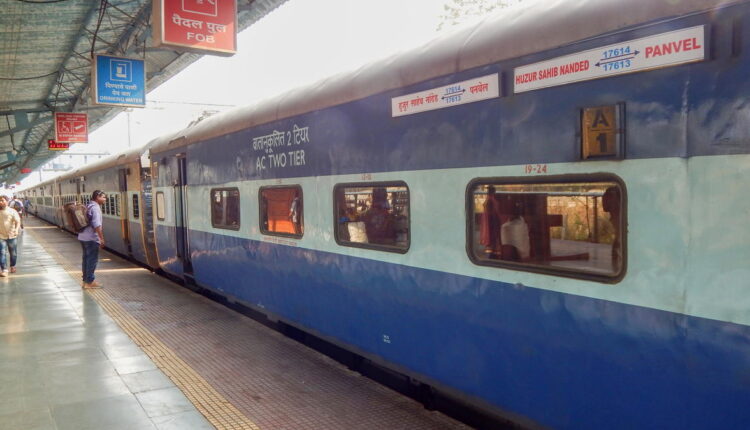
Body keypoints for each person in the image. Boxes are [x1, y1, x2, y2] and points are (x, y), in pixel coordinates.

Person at [78, 190, 106, 289]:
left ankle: (85, 281)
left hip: (82, 237)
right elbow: (97, 225)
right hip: (91, 238)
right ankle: (89, 282)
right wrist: (101, 238)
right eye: (103, 197)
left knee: (86, 259)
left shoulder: (88, 205)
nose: (105, 199)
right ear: (97, 197)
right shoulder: (95, 208)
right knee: (92, 260)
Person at [0, 196, 21, 276]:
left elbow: (18, 221)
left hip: (12, 235)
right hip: (1, 236)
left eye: (2, 200)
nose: (1, 202)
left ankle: (12, 265)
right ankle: (4, 269)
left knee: (13, 253)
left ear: (7, 201)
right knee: (2, 252)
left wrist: (16, 229)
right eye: (0, 201)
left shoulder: (12, 211)